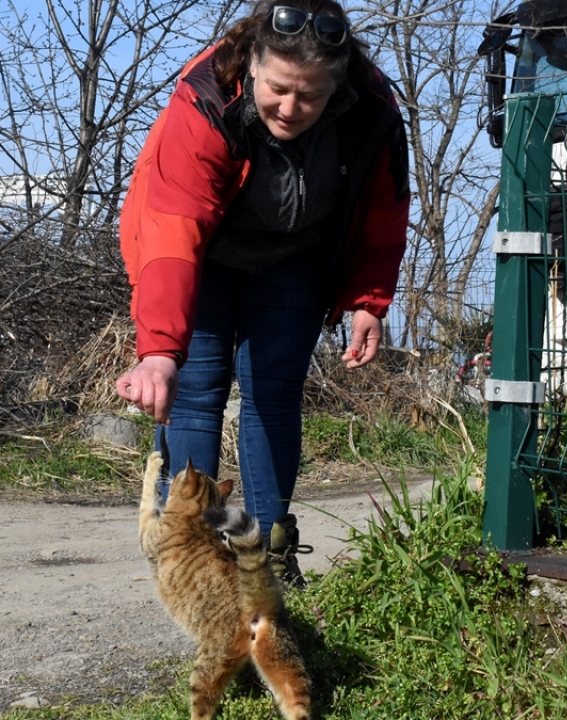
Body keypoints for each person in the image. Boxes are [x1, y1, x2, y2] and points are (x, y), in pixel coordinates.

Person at [115, 0, 410, 586]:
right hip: (201, 255)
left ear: (339, 81)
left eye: (310, 96)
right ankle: (193, 554)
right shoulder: (204, 99)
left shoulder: (372, 108)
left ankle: (271, 552)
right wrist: (158, 350)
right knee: (194, 394)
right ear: (252, 61)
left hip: (295, 254)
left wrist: (367, 300)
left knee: (273, 395)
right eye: (277, 89)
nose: (290, 108)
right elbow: (174, 228)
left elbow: (383, 210)